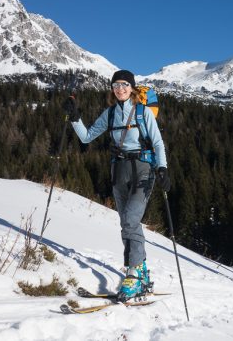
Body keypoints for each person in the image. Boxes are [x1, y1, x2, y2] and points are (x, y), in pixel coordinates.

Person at [63, 69, 170, 302]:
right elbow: (86, 136)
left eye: (124, 84)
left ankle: (133, 274)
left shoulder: (142, 112)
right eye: (115, 85)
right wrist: (74, 118)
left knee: (131, 219)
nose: (119, 89)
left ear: (132, 88)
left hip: (143, 170)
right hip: (118, 171)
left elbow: (158, 142)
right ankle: (140, 271)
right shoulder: (110, 113)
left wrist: (162, 168)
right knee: (126, 223)